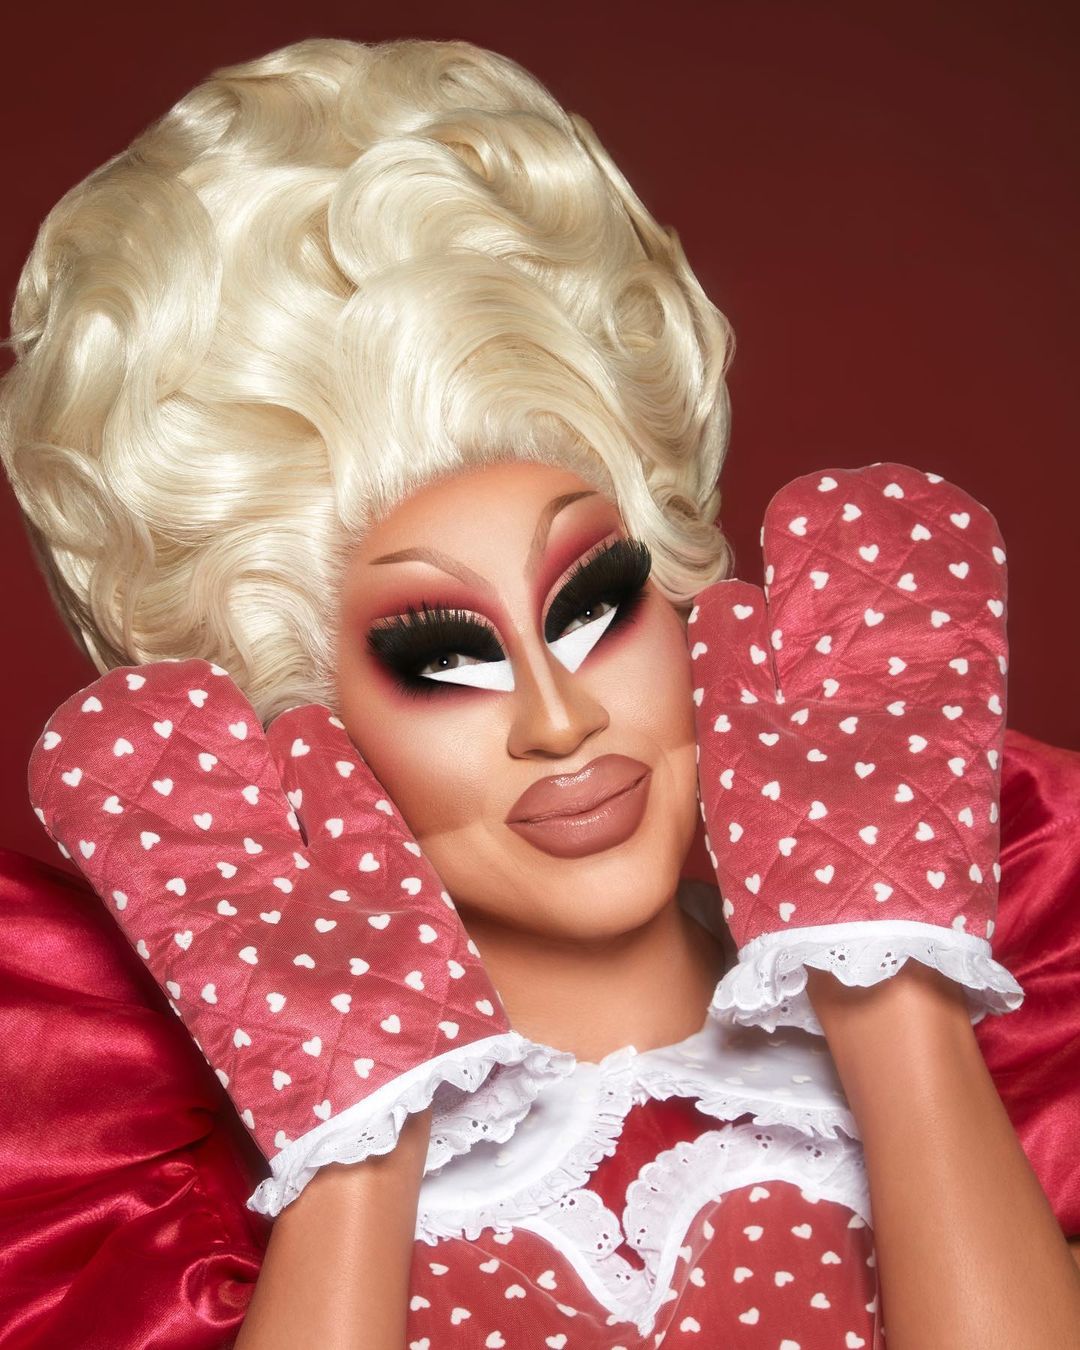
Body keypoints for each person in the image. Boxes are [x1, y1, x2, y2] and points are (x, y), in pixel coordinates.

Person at [2, 35, 1079, 1350]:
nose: (559, 719)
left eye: (592, 606)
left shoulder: (1015, 1023)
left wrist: (888, 984)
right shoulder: (176, 1175)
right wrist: (357, 1127)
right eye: (443, 659)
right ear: (306, 728)